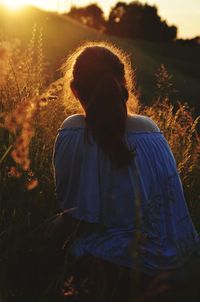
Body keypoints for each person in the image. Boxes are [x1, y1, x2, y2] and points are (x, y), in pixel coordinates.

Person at [53, 42, 200, 301]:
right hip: (180, 268)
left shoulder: (74, 131)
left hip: (119, 271)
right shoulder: (151, 131)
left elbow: (73, 216)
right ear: (125, 85)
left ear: (75, 91)